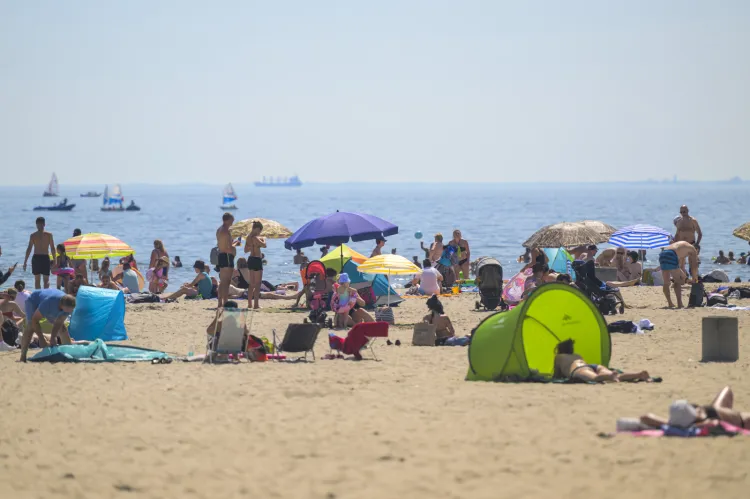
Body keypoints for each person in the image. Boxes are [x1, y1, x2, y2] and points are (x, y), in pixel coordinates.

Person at [640, 386, 749, 430]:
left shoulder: (677, 422)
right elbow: (714, 423)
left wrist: (668, 424)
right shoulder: (704, 422)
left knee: (727, 389)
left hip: (715, 410)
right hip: (743, 420)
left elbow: (645, 417)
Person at [553, 339, 650, 382]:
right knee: (617, 376)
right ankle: (638, 374)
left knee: (595, 378)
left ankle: (610, 376)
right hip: (592, 366)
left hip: (579, 370)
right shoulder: (577, 355)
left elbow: (556, 375)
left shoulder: (559, 357)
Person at [19, 289, 76, 362]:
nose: (69, 312)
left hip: (51, 305)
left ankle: (68, 353)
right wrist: (41, 339)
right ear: (61, 305)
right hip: (33, 301)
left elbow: (58, 323)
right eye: (68, 310)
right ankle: (23, 356)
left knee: (62, 328)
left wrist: (53, 337)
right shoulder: (49, 303)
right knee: (30, 326)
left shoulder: (69, 306)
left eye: (71, 310)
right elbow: (35, 320)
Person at [659, 241, 699, 308]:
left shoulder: (682, 246)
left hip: (663, 254)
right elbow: (694, 266)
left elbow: (678, 268)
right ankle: (679, 304)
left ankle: (670, 303)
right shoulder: (693, 249)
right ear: (697, 249)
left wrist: (685, 278)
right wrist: (695, 277)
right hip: (671, 254)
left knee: (666, 282)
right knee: (678, 281)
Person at [23, 217, 56, 289]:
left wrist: (25, 261)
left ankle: (38, 297)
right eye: (39, 224)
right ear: (44, 224)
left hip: (36, 258)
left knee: (37, 280)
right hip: (44, 258)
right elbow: (52, 248)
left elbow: (29, 249)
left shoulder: (33, 235)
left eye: (39, 224)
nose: (39, 226)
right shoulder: (49, 235)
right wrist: (55, 260)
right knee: (46, 280)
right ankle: (45, 296)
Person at [216, 212, 239, 308]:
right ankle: (225, 301)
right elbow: (229, 247)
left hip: (221, 255)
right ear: (228, 220)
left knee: (222, 281)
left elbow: (221, 244)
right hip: (227, 256)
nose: (233, 223)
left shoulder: (219, 230)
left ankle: (220, 302)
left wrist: (233, 241)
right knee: (227, 281)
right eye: (232, 221)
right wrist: (236, 244)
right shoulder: (227, 230)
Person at [244, 220, 267, 309]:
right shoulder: (256, 237)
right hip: (257, 259)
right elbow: (264, 245)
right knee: (257, 283)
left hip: (250, 259)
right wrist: (263, 239)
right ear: (257, 229)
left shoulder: (248, 237)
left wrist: (253, 246)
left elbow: (245, 250)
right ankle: (256, 305)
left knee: (251, 283)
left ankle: (249, 303)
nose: (260, 232)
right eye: (259, 230)